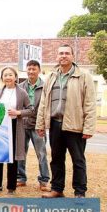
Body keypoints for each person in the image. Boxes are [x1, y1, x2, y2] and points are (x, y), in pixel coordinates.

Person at [36, 44, 96, 198]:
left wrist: (88, 128)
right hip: (55, 124)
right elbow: (43, 102)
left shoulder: (84, 76)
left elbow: (89, 103)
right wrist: (40, 124)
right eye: (61, 53)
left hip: (75, 126)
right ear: (57, 56)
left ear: (72, 56)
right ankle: (57, 189)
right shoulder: (51, 77)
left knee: (78, 160)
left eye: (67, 53)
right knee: (56, 159)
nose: (63, 56)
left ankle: (80, 192)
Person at [0, 66, 33, 195]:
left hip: (14, 126)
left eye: (10, 75)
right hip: (0, 128)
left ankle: (11, 187)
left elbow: (31, 110)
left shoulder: (22, 92)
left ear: (15, 77)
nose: (7, 77)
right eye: (5, 75)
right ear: (2, 78)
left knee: (12, 158)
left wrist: (18, 112)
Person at [17, 60, 50, 191]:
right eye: (29, 69)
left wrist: (44, 123)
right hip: (22, 125)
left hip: (38, 125)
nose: (31, 71)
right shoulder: (19, 87)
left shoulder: (45, 86)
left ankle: (44, 180)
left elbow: (47, 107)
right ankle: (21, 178)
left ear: (39, 70)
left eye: (34, 69)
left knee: (41, 154)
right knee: (20, 153)